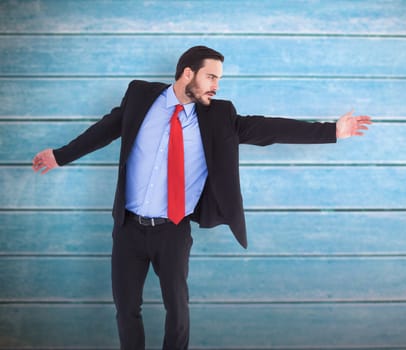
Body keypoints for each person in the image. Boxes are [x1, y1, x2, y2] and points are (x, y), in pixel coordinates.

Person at [32, 46, 372, 350]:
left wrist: (331, 130)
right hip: (128, 227)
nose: (216, 85)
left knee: (177, 312)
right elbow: (104, 130)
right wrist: (60, 156)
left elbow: (269, 129)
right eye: (211, 76)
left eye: (219, 79)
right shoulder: (139, 96)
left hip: (174, 230)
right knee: (126, 309)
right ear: (188, 73)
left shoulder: (219, 116)